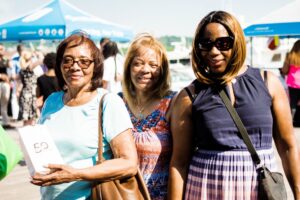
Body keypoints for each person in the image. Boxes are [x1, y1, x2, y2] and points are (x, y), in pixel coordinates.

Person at [168, 11, 300, 200]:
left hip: (259, 189)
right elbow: (179, 162)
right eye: (206, 44)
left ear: (236, 42)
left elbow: (288, 146)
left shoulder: (268, 83)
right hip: (206, 190)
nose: (214, 51)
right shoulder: (189, 96)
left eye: (223, 43)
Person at [31, 33, 138, 200]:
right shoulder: (52, 101)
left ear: (95, 66)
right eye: (67, 60)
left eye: (84, 61)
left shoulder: (108, 102)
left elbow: (128, 163)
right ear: (59, 65)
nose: (75, 66)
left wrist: (76, 174)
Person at [120, 33, 176, 199]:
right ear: (129, 67)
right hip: (122, 195)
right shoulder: (116, 103)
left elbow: (181, 162)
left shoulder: (173, 103)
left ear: (163, 70)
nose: (145, 70)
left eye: (153, 65)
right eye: (138, 63)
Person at [19, 50, 43, 126]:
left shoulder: (22, 69)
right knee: (31, 118)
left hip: (25, 93)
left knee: (26, 118)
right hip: (30, 94)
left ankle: (25, 136)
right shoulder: (29, 67)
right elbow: (41, 60)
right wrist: (38, 54)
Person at [281, 40, 300, 125]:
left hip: (293, 84)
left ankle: (290, 121)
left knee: (292, 103)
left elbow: (285, 70)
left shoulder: (290, 56)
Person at [0, 44, 12, 129]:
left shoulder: (6, 60)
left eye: (2, 49)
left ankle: (5, 122)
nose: (1, 51)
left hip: (5, 84)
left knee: (4, 103)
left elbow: (11, 69)